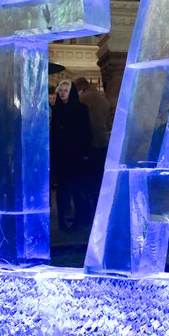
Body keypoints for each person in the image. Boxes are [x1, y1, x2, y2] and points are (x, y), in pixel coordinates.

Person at [50, 80, 93, 232]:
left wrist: (85, 154)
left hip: (76, 156)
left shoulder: (81, 109)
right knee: (62, 189)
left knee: (76, 188)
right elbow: (54, 134)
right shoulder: (57, 110)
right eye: (60, 90)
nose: (62, 93)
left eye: (65, 90)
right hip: (62, 156)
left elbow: (86, 133)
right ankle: (62, 219)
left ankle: (79, 219)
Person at [74, 76, 110, 208]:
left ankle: (91, 205)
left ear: (80, 87)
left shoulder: (84, 98)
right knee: (100, 174)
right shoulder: (102, 99)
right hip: (104, 140)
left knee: (89, 177)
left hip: (91, 142)